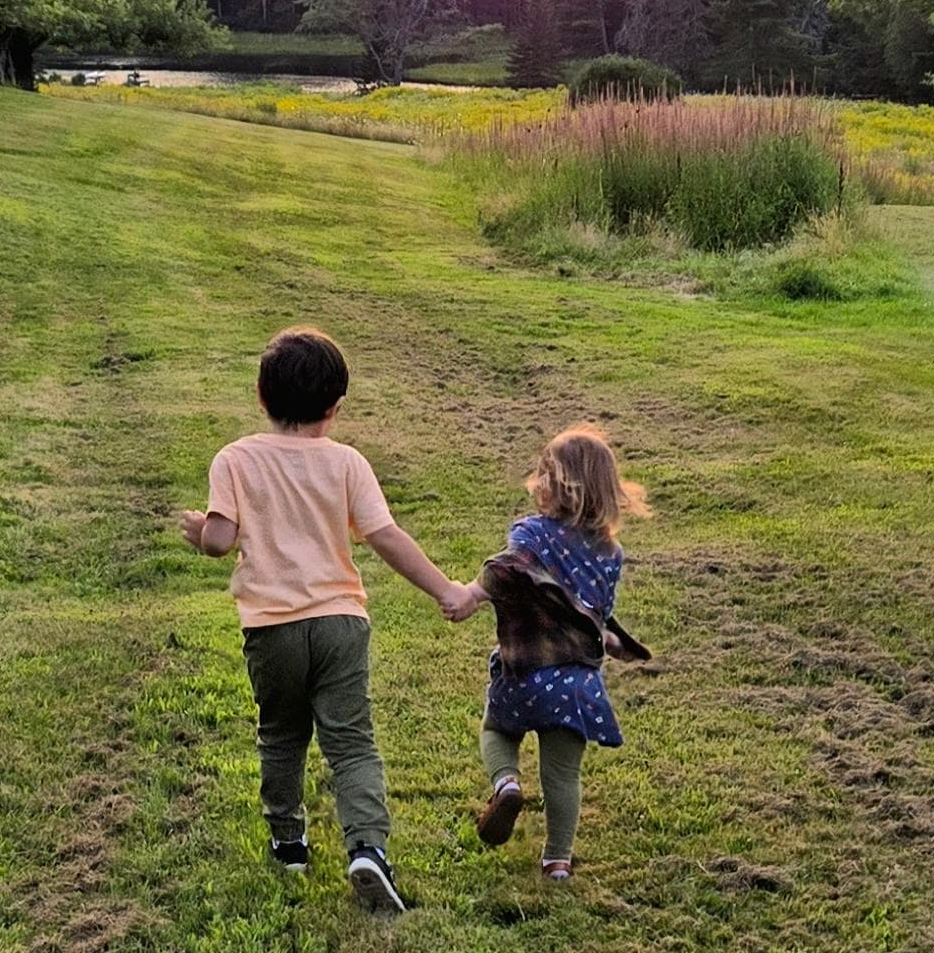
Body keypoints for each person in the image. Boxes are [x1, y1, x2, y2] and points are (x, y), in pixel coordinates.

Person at [181, 326, 482, 915]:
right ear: (335, 407)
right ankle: (368, 848)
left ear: (261, 397)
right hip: (342, 621)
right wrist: (446, 589)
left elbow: (219, 541)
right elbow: (386, 536)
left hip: (271, 627)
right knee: (352, 743)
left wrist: (200, 531)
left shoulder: (235, 459)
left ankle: (289, 842)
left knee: (282, 734)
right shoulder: (348, 463)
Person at [473, 423, 650, 882]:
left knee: (496, 730)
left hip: (524, 672)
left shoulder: (530, 533)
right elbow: (597, 610)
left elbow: (507, 571)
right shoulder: (610, 552)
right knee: (563, 775)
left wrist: (471, 594)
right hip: (576, 685)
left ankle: (506, 783)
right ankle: (557, 861)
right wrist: (610, 638)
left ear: (553, 484)